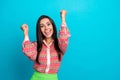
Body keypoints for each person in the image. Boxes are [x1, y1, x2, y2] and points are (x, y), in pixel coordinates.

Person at [21, 10, 70, 80]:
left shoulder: (59, 44)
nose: (46, 28)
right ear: (39, 30)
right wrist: (26, 33)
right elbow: (30, 53)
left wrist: (63, 18)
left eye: (48, 24)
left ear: (53, 26)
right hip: (36, 77)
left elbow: (64, 37)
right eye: (42, 26)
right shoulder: (36, 45)